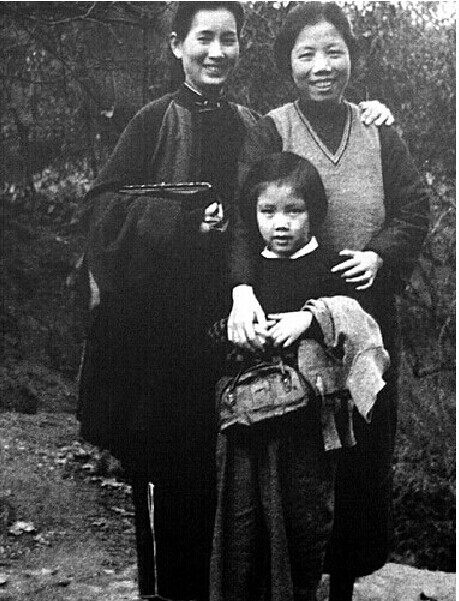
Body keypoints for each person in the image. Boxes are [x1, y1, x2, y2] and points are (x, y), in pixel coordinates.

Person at [76, 2, 395, 599]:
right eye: (204, 39)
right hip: (169, 330)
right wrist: (182, 221)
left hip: (243, 326)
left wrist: (371, 111)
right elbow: (99, 214)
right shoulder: (153, 120)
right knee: (179, 473)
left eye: (229, 39)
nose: (217, 52)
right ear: (177, 45)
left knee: (239, 480)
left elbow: (273, 206)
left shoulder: (255, 126)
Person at [227, 3, 430, 601]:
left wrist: (381, 256)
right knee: (291, 455)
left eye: (334, 51)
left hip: (364, 320)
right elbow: (243, 215)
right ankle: (286, 579)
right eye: (307, 54)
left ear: (352, 58)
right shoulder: (271, 129)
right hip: (288, 315)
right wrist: (243, 290)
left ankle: (343, 580)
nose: (322, 66)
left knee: (360, 453)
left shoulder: (377, 129)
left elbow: (413, 208)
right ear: (287, 64)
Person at [209, 152, 390, 601]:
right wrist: (235, 330)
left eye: (294, 211)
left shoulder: (333, 268)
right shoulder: (243, 276)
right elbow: (209, 332)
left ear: (314, 212)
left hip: (309, 432)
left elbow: (364, 330)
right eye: (267, 211)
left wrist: (311, 319)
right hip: (245, 426)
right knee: (243, 525)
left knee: (303, 524)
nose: (281, 224)